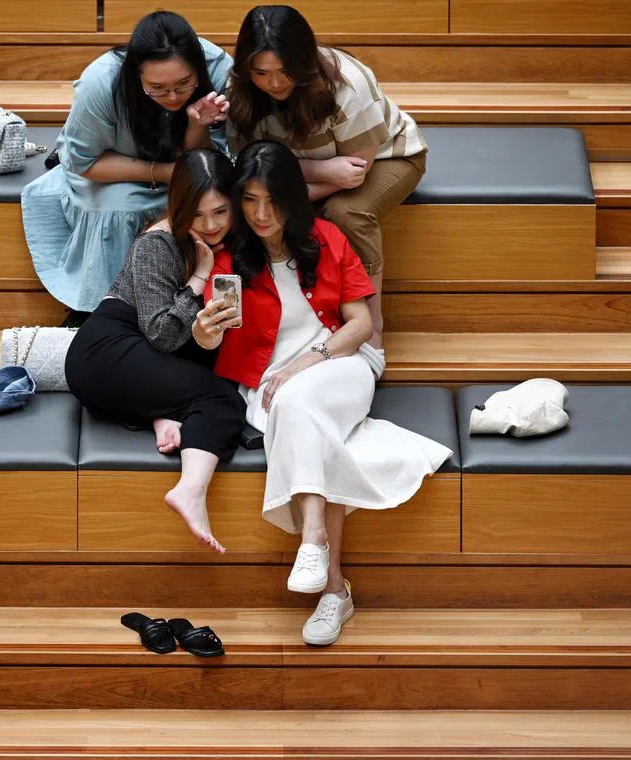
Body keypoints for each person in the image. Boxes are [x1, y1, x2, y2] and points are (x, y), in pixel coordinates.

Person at [193, 141, 450, 643]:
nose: (261, 214)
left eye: (271, 200)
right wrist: (205, 330)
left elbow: (359, 325)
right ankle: (333, 590)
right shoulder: (229, 260)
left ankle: (312, 540)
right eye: (248, 200)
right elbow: (212, 339)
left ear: (291, 196)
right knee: (311, 425)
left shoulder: (327, 237)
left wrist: (307, 363)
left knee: (297, 400)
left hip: (343, 363)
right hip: (268, 385)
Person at [65, 149, 246, 554]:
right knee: (222, 401)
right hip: (105, 352)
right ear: (179, 207)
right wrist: (199, 277)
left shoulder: (229, 238)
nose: (211, 225)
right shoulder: (158, 244)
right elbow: (163, 334)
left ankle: (161, 415)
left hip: (138, 357)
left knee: (210, 382)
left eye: (220, 211)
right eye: (198, 215)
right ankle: (189, 491)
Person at [228, 4, 428, 348]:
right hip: (312, 172)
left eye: (285, 70)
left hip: (385, 158)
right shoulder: (241, 88)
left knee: (343, 213)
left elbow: (354, 172)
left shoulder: (346, 83)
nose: (274, 82)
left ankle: (371, 322)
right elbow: (250, 162)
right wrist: (320, 172)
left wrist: (288, 197)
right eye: (261, 72)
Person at [22, 11, 233, 323]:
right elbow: (85, 162)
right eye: (157, 88)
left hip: (189, 171)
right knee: (121, 209)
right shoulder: (101, 81)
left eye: (184, 84)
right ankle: (106, 311)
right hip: (111, 168)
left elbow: (211, 162)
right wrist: (164, 173)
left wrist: (196, 127)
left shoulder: (219, 69)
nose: (172, 97)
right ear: (137, 74)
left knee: (208, 205)